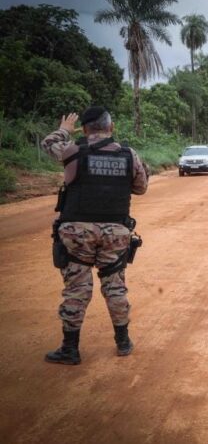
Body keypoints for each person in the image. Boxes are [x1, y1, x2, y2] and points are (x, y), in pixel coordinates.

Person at [41, 107, 148, 365]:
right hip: (115, 232)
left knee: (77, 288)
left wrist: (65, 130)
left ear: (85, 129)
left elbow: (49, 143)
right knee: (114, 285)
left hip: (77, 233)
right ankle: (123, 342)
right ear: (111, 128)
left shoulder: (73, 151)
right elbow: (141, 188)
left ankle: (70, 349)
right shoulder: (128, 155)